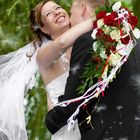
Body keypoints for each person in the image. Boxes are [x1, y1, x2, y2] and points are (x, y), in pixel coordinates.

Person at [45, 0, 140, 140]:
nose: (70, 21)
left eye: (71, 13)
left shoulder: (88, 41)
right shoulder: (133, 37)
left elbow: (73, 102)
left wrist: (51, 119)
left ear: (82, 8)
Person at [0, 0, 93, 140]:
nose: (57, 12)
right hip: (66, 129)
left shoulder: (85, 43)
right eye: (49, 14)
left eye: (58, 7)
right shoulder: (43, 56)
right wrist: (102, 19)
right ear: (44, 29)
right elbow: (62, 42)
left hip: (92, 122)